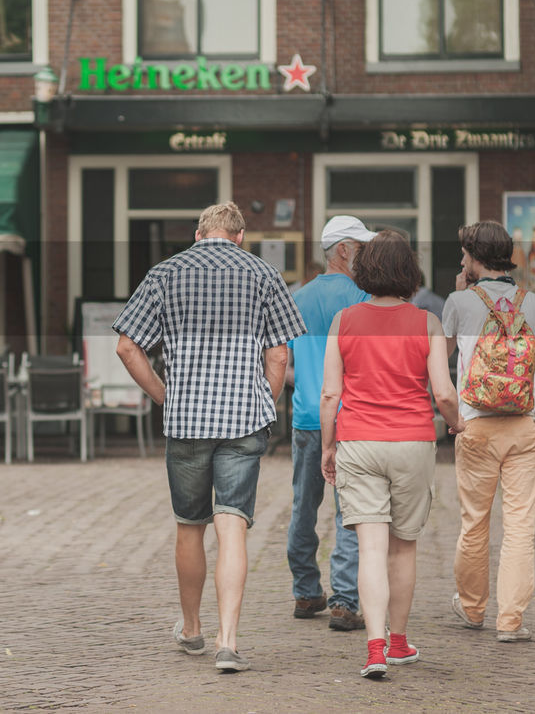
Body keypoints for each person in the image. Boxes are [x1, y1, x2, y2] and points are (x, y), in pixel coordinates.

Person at [114, 201, 305, 674]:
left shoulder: (165, 273)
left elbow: (126, 346)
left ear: (199, 234)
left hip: (186, 423)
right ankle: (228, 640)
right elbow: (279, 355)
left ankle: (193, 628)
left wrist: (164, 395)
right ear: (240, 237)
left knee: (189, 524)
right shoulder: (263, 274)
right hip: (244, 421)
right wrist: (265, 399)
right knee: (232, 523)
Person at [319, 230, 464, 679]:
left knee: (369, 549)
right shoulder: (428, 323)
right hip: (412, 443)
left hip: (358, 442)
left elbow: (329, 395)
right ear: (409, 272)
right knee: (403, 549)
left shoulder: (343, 321)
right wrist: (457, 423)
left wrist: (328, 445)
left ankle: (375, 649)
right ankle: (399, 642)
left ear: (365, 271)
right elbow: (442, 391)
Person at [443, 221, 535, 643]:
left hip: (475, 424)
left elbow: (442, 362)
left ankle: (473, 609)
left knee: (474, 522)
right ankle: (510, 621)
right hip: (525, 426)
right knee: (520, 525)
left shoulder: (458, 302)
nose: (461, 261)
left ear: (475, 258)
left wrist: (452, 415)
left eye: (464, 255)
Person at [286, 216, 375, 632]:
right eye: (361, 246)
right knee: (349, 511)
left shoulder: (295, 299)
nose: (366, 254)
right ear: (343, 250)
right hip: (351, 418)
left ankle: (306, 591)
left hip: (306, 416)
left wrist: (307, 381)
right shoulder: (362, 297)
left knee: (304, 506)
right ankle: (343, 598)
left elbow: (280, 363)